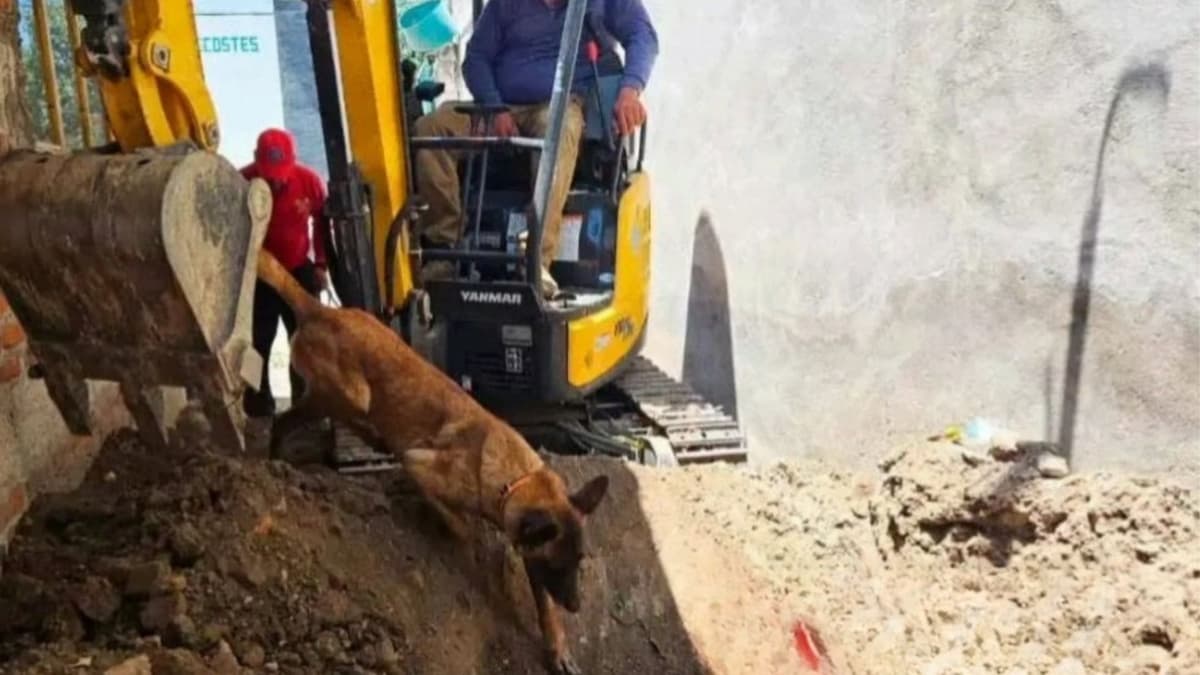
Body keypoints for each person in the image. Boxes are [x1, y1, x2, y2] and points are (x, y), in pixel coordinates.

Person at [413, 0, 658, 297]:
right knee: (431, 128)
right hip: (499, 106)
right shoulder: (506, 5)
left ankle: (535, 260)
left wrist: (630, 91)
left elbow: (643, 35)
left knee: (558, 128)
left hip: (559, 106)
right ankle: (443, 251)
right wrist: (494, 106)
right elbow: (476, 57)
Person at [239, 127, 331, 418]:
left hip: (297, 270)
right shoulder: (241, 182)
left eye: (280, 175)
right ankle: (256, 403)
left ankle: (304, 405)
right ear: (256, 160)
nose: (276, 182)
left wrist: (321, 264)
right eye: (269, 176)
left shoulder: (309, 182)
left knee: (305, 339)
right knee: (256, 340)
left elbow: (322, 224)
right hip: (259, 274)